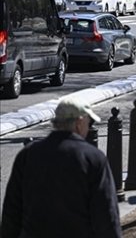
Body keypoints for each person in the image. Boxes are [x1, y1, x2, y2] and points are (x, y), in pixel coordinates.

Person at [1, 97, 122, 237]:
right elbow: (106, 214)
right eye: (89, 122)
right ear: (79, 122)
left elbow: (12, 212)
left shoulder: (27, 155)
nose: (89, 127)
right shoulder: (93, 158)